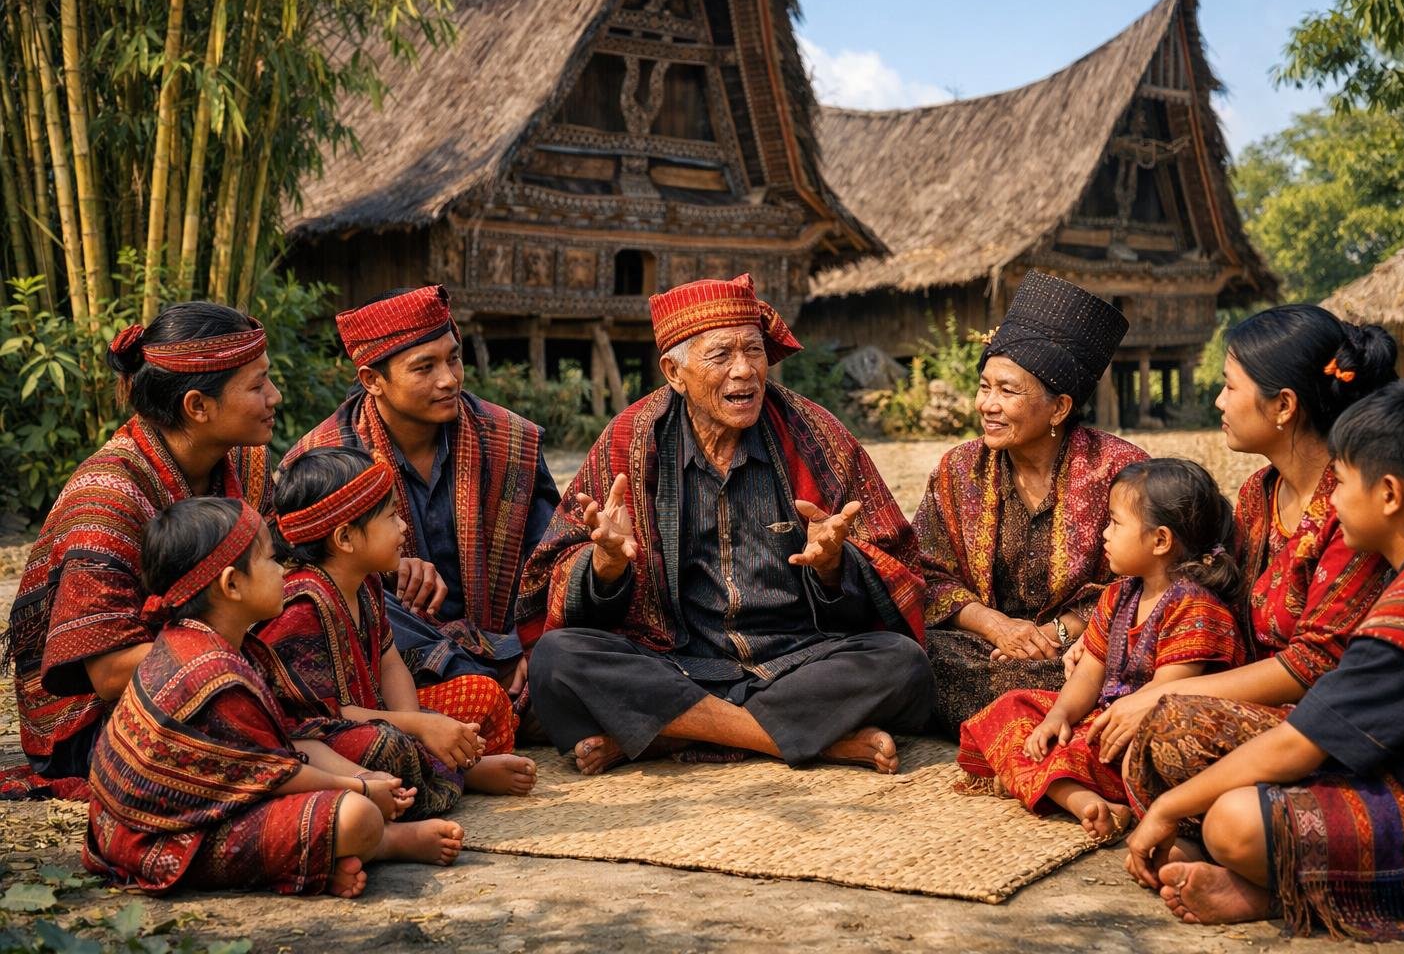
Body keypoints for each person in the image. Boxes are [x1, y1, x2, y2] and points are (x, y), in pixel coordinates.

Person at [1124, 381, 1404, 942]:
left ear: (1388, 495)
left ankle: (1281, 890)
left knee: (1234, 824)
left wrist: (1168, 807)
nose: (1333, 503)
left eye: (1340, 483)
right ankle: (1276, 885)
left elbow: (1299, 745)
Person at [522, 274, 934, 775]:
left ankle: (669, 735)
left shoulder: (815, 434)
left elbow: (893, 569)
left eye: (754, 351)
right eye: (721, 355)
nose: (745, 371)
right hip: (675, 661)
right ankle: (811, 740)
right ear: (674, 373)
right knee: (559, 657)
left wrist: (834, 567)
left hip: (798, 660)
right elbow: (557, 577)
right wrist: (605, 566)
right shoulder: (629, 439)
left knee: (902, 663)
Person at [1082, 306, 1398, 816]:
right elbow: (1215, 598)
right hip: (1242, 698)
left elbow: (1312, 667)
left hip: (1321, 721)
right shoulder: (1258, 493)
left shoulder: (1351, 510)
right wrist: (1114, 646)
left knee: (1169, 728)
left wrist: (1164, 698)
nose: (1219, 400)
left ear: (1284, 405)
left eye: (1230, 386)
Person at [83, 497, 465, 897]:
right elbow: (276, 774)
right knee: (357, 816)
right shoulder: (215, 671)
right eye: (269, 560)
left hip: (187, 812)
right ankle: (385, 842)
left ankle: (322, 859)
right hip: (159, 840)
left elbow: (290, 739)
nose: (282, 570)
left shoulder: (218, 644)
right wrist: (360, 788)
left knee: (348, 794)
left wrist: (361, 778)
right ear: (232, 584)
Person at [2, 304, 279, 795]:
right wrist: (234, 656)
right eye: (258, 385)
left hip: (216, 671)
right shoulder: (106, 498)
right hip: (97, 721)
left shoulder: (244, 464)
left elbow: (287, 567)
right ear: (198, 406)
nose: (274, 396)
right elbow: (110, 673)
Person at [284, 285, 560, 703]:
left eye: (453, 358)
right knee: (358, 597)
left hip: (511, 643)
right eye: (424, 367)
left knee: (578, 637)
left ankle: (500, 681)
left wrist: (529, 643)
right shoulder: (322, 459)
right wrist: (379, 565)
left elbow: (547, 558)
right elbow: (300, 579)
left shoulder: (510, 440)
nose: (448, 379)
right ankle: (488, 682)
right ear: (372, 380)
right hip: (395, 659)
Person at [956, 459, 1243, 839]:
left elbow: (1166, 695)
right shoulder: (1118, 595)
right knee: (1012, 708)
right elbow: (1089, 672)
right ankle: (1063, 787)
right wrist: (1058, 716)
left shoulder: (1195, 607)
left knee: (1060, 749)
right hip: (1103, 717)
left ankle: (1073, 797)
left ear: (1160, 540)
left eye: (1115, 523)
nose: (1104, 534)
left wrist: (1081, 730)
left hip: (1143, 732)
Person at [913, 271, 1147, 733]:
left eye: (1007, 391)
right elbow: (926, 573)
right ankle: (1041, 713)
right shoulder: (958, 469)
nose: (987, 404)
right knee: (908, 657)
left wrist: (1055, 634)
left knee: (1114, 668)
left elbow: (1142, 581)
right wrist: (997, 626)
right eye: (984, 386)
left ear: (1060, 407)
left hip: (1083, 649)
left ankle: (1032, 712)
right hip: (981, 648)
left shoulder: (1120, 469)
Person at [261, 447, 538, 817]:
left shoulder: (367, 582)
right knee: (386, 748)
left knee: (483, 695)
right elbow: (317, 721)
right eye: (391, 516)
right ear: (345, 538)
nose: (403, 526)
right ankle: (460, 773)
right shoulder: (301, 608)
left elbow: (391, 663)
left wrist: (420, 729)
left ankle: (440, 765)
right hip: (317, 741)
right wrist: (419, 728)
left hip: (378, 720)